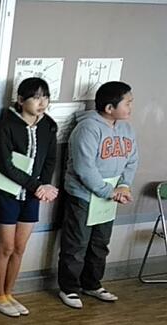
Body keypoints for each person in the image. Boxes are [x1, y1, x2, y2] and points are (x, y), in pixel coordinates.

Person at [57, 81, 139, 308]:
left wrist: (124, 186)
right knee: (77, 244)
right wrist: (108, 191)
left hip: (111, 196)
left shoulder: (126, 129)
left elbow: (132, 160)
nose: (131, 107)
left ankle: (92, 284)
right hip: (84, 195)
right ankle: (69, 288)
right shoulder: (87, 128)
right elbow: (84, 168)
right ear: (110, 108)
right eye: (127, 103)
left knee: (100, 243)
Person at [0, 77, 59, 317]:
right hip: (8, 194)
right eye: (36, 98)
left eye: (45, 97)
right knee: (6, 247)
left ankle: (9, 293)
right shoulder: (5, 124)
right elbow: (5, 165)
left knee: (20, 247)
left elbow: (50, 159)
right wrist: (36, 186)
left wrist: (44, 186)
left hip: (32, 196)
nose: (42, 103)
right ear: (20, 100)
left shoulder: (49, 125)